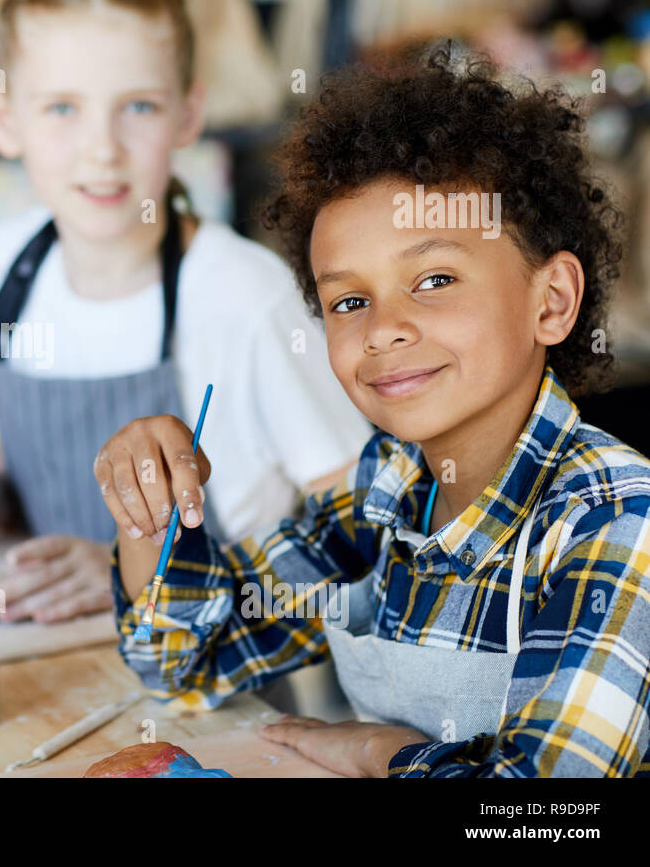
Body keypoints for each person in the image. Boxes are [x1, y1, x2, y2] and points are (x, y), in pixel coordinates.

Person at [97, 45, 650, 776]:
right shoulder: (382, 492)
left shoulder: (615, 522)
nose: (383, 327)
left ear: (550, 301)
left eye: (436, 278)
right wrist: (154, 511)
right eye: (349, 301)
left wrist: (384, 752)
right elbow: (186, 660)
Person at [0, 0, 370, 625]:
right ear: (3, 117)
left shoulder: (244, 295)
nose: (101, 150)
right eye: (62, 109)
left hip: (220, 696)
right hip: (50, 663)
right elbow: (25, 485)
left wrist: (134, 572)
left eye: (138, 106)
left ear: (189, 113)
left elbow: (358, 537)